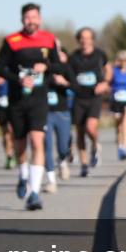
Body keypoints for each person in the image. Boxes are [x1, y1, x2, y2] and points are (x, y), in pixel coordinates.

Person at [0, 3, 62, 211]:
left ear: (39, 19)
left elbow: (61, 66)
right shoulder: (11, 41)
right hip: (17, 101)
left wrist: (47, 66)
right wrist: (18, 79)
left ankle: (34, 193)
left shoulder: (49, 39)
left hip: (39, 100)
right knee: (21, 146)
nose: (30, 21)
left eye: (34, 17)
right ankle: (23, 175)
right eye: (27, 18)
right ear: (22, 20)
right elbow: (0, 68)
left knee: (37, 141)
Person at [68, 27, 110, 177]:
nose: (84, 41)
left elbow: (108, 70)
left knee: (90, 127)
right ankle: (84, 163)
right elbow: (69, 75)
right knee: (79, 131)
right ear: (78, 40)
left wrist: (105, 83)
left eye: (87, 38)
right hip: (79, 97)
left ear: (92, 39)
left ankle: (95, 145)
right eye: (82, 38)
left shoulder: (99, 54)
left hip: (94, 97)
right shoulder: (73, 57)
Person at [43, 40, 74, 191]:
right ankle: (51, 180)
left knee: (63, 146)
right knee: (46, 146)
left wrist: (64, 83)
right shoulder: (41, 67)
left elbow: (76, 86)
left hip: (62, 112)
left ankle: (62, 161)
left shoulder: (65, 68)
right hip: (44, 113)